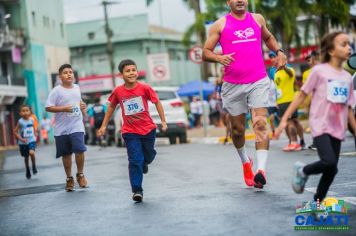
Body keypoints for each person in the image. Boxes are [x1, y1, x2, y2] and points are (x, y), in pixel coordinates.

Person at [203, 0, 287, 188]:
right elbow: (205, 52)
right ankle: (245, 162)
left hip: (258, 80)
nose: (240, 0)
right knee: (238, 130)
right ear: (228, 2)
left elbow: (269, 38)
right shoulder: (221, 24)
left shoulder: (257, 19)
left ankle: (261, 171)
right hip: (233, 85)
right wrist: (218, 57)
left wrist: (279, 51)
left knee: (260, 123)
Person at [275, 32, 355, 208]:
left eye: (349, 44)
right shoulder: (319, 71)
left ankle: (316, 202)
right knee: (330, 162)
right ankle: (303, 170)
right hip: (320, 124)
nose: (349, 47)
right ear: (331, 51)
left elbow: (348, 108)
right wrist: (283, 120)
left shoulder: (347, 78)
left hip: (338, 128)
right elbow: (300, 96)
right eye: (343, 44)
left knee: (332, 169)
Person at [98, 59, 167, 202]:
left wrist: (163, 121)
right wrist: (103, 125)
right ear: (121, 74)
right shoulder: (118, 91)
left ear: (137, 72)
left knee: (148, 155)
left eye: (133, 70)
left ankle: (145, 163)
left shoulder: (145, 88)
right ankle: (137, 190)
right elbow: (111, 107)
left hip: (148, 129)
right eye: (127, 71)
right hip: (130, 132)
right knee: (135, 160)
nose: (131, 73)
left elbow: (157, 102)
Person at [45, 64, 88, 192]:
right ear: (60, 77)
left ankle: (80, 175)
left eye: (71, 72)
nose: (69, 74)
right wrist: (64, 108)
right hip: (61, 128)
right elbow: (48, 107)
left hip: (76, 125)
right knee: (66, 154)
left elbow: (78, 102)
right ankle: (69, 178)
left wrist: (82, 106)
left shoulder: (77, 87)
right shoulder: (56, 91)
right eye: (65, 72)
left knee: (80, 150)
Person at [274, 65, 305, 151]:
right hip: (281, 101)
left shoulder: (289, 69)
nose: (273, 60)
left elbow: (291, 75)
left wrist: (283, 66)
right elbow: (277, 88)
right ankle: (295, 141)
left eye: (274, 57)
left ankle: (294, 143)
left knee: (290, 122)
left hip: (289, 100)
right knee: (294, 121)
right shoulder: (275, 73)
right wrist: (276, 101)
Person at [13, 104, 38, 179]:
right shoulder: (20, 122)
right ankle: (27, 169)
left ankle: (33, 165)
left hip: (31, 140)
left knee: (31, 152)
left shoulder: (32, 119)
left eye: (27, 110)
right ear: (20, 113)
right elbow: (15, 131)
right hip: (23, 142)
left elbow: (33, 127)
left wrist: (34, 133)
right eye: (23, 111)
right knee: (26, 157)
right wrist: (21, 139)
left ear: (30, 111)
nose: (25, 112)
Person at [302, 50, 320, 151]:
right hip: (311, 102)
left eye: (310, 59)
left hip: (322, 101)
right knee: (313, 123)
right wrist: (306, 103)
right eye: (307, 60)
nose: (309, 61)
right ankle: (315, 142)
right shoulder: (305, 73)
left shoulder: (323, 70)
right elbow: (306, 90)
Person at [267, 51, 279, 139]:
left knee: (282, 118)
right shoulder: (271, 70)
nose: (272, 59)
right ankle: (274, 133)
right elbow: (272, 84)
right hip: (272, 100)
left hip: (282, 97)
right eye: (271, 58)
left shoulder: (285, 67)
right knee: (271, 118)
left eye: (273, 57)